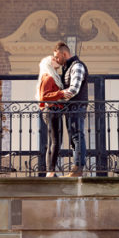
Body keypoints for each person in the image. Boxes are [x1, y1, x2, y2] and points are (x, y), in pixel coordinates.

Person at [54, 41, 88, 177]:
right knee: (74, 137)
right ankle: (77, 167)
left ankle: (78, 168)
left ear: (64, 53)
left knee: (77, 136)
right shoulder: (67, 68)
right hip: (70, 108)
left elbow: (74, 89)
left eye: (57, 57)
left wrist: (57, 99)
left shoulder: (77, 66)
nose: (56, 60)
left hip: (77, 107)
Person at [37, 53, 70, 176]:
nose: (56, 60)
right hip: (51, 111)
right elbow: (44, 97)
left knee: (54, 141)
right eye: (53, 59)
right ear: (49, 64)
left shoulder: (52, 77)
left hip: (54, 111)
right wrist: (61, 93)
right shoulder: (48, 77)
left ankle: (50, 170)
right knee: (55, 141)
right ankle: (50, 171)